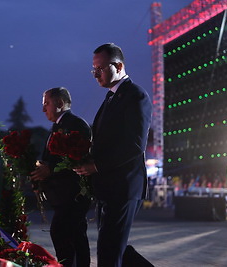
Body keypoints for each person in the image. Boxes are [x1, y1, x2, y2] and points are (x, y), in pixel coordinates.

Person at [74, 43, 153, 266]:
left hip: (124, 186)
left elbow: (135, 144)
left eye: (100, 69)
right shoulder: (110, 97)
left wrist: (97, 165)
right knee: (114, 248)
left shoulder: (135, 95)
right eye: (93, 70)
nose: (95, 74)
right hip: (109, 187)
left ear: (118, 65)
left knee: (109, 252)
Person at [31, 87, 91, 267]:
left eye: (46, 104)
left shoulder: (75, 125)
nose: (43, 109)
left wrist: (51, 170)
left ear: (59, 103)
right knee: (74, 236)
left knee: (63, 234)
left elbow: (78, 158)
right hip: (62, 195)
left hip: (72, 194)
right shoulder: (57, 126)